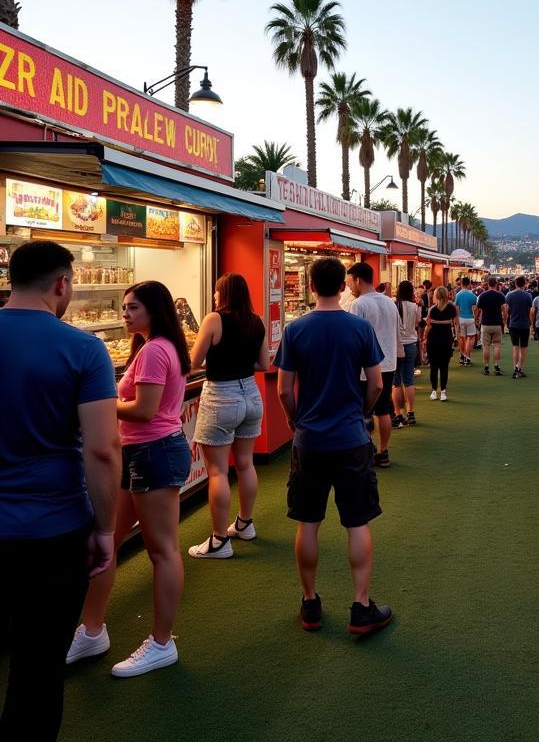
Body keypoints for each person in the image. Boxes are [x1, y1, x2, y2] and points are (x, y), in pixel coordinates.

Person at [0, 242, 119, 739]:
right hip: (54, 528)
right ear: (62, 284)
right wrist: (106, 528)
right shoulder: (83, 349)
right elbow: (102, 450)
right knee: (39, 667)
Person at [70, 280, 193, 676]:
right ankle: (91, 631)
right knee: (106, 538)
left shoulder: (156, 349)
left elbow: (145, 410)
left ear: (153, 310)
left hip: (154, 453)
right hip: (138, 452)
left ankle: (161, 643)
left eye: (133, 307)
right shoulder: (153, 347)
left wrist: (99, 403)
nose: (125, 314)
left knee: (163, 551)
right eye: (124, 307)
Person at [275, 257, 392, 635]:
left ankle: (310, 602)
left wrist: (295, 419)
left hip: (309, 439)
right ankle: (361, 605)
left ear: (311, 286)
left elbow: (283, 389)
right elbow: (375, 384)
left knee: (308, 522)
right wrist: (362, 413)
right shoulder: (358, 328)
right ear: (344, 285)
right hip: (351, 438)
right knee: (357, 522)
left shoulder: (296, 330)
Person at [188, 272, 270, 558]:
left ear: (223, 293)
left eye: (216, 291)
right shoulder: (256, 321)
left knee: (218, 471)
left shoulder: (214, 319)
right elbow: (263, 363)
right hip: (250, 393)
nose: (213, 296)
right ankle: (245, 524)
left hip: (221, 396)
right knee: (246, 464)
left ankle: (220, 540)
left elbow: (194, 361)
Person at [349, 262, 401, 470]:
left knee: (363, 411)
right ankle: (384, 451)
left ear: (357, 280)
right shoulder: (389, 302)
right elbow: (397, 332)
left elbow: (352, 337)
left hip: (365, 367)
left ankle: (365, 449)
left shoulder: (359, 304)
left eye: (349, 282)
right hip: (388, 363)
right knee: (384, 409)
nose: (349, 287)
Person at [394, 280, 420, 426]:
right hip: (411, 343)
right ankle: (411, 413)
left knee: (396, 382)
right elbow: (417, 322)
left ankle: (397, 413)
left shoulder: (394, 305)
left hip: (397, 345)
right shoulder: (414, 306)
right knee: (409, 380)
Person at [426, 287, 459, 400]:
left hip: (433, 340)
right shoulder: (452, 308)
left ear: (436, 295)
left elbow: (428, 326)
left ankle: (434, 391)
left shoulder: (432, 309)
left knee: (433, 367)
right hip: (446, 339)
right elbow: (456, 324)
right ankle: (443, 392)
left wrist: (423, 338)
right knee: (444, 367)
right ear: (446, 295)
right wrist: (457, 337)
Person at [475, 275, 507, 376]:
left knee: (486, 346)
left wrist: (476, 319)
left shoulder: (482, 296)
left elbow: (478, 309)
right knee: (497, 345)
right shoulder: (501, 295)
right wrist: (505, 321)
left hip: (485, 323)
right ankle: (497, 366)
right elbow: (504, 310)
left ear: (488, 284)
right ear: (496, 284)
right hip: (497, 323)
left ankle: (486, 366)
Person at [505, 275, 534, 379]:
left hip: (513, 323)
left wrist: (506, 322)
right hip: (524, 324)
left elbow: (507, 310)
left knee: (515, 347)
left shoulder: (509, 295)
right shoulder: (528, 296)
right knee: (524, 347)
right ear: (524, 284)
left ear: (516, 283)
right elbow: (530, 310)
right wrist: (531, 323)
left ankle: (515, 367)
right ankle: (519, 367)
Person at [455, 276, 478, 367]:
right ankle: (467, 357)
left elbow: (456, 308)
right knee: (471, 337)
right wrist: (476, 319)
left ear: (461, 284)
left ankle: (462, 356)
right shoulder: (473, 295)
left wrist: (456, 320)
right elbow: (476, 308)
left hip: (461, 318)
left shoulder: (458, 295)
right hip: (470, 318)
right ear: (469, 284)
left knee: (461, 337)